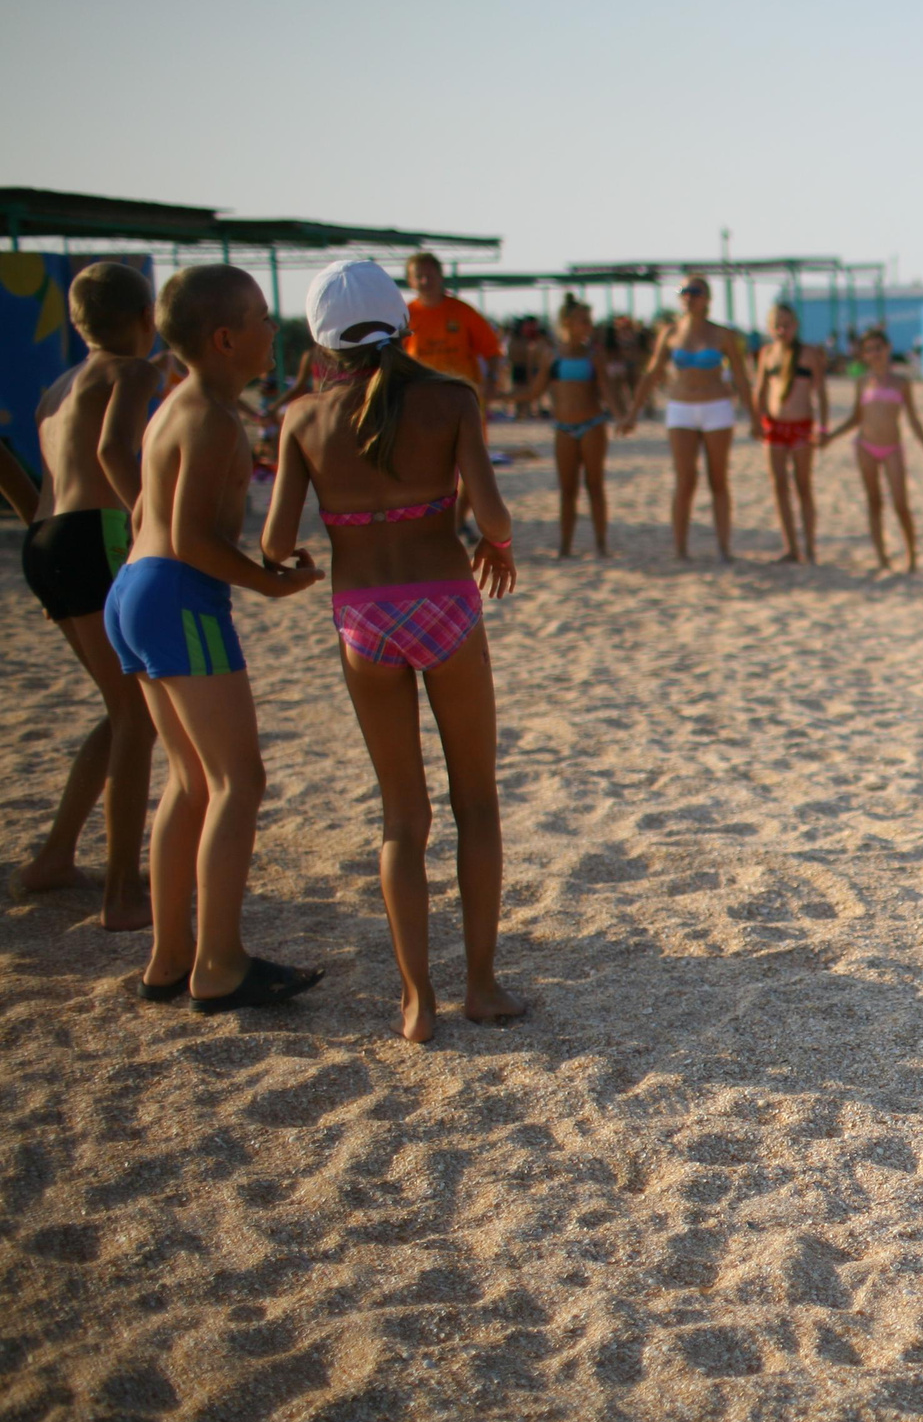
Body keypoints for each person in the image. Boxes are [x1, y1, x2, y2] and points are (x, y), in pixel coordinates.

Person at [263, 259, 524, 1042]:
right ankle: (481, 984)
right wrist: (496, 544)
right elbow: (494, 509)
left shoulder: (303, 418)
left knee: (400, 817)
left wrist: (310, 558)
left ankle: (417, 1000)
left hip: (363, 619)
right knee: (475, 800)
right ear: (404, 323)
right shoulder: (449, 399)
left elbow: (276, 541)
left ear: (320, 338)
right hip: (445, 603)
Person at [106, 266, 324, 1011]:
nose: (276, 327)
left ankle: (170, 956)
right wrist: (270, 584)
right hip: (180, 596)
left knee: (192, 781)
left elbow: (152, 519)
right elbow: (195, 537)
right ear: (227, 337)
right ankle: (220, 962)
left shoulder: (180, 404)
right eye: (265, 317)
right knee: (239, 779)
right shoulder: (214, 420)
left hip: (136, 589)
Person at [13, 261, 160, 926]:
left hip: (45, 536)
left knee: (121, 706)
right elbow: (112, 452)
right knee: (138, 715)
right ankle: (122, 891)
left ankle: (54, 855)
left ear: (75, 322)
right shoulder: (133, 371)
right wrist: (152, 522)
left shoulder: (56, 386)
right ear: (146, 319)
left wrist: (46, 535)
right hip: (95, 532)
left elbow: (28, 468)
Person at [631, 273, 753, 562]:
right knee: (685, 480)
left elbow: (741, 377)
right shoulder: (671, 333)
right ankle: (680, 549)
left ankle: (724, 547)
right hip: (681, 407)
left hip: (716, 406)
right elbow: (651, 374)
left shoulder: (723, 334)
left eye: (695, 291)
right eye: (684, 291)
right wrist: (632, 412)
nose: (689, 296)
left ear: (708, 298)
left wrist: (755, 417)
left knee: (718, 479)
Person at [520, 297, 630, 558]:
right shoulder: (551, 355)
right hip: (564, 427)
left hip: (592, 423)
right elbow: (535, 391)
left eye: (590, 321)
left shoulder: (594, 355)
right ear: (567, 322)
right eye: (584, 321)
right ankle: (565, 546)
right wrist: (496, 397)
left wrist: (621, 417)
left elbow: (606, 390)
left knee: (595, 485)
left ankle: (601, 544)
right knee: (567, 489)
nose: (589, 326)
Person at [822, 327, 923, 573]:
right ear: (864, 355)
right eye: (869, 350)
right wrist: (831, 436)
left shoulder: (901, 382)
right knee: (874, 502)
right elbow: (856, 417)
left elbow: (914, 420)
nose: (875, 354)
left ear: (888, 348)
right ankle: (882, 558)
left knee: (900, 504)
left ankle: (911, 556)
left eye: (878, 348)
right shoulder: (863, 382)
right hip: (865, 446)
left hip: (892, 447)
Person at [752, 302, 830, 565]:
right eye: (777, 325)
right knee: (779, 487)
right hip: (774, 426)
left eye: (786, 325)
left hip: (801, 426)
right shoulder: (767, 354)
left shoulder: (809, 355)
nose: (782, 330)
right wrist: (756, 420)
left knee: (803, 486)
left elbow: (820, 394)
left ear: (796, 326)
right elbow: (760, 390)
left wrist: (823, 428)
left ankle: (809, 547)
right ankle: (790, 547)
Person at [402, 253, 502, 411]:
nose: (425, 281)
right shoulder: (404, 316)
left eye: (430, 275)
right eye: (419, 276)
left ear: (441, 277)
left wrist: (492, 379)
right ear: (410, 281)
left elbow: (492, 350)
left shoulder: (463, 312)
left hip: (462, 396)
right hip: (422, 399)